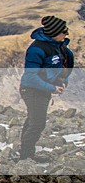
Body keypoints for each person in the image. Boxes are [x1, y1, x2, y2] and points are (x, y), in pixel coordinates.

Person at [18, 15, 74, 162]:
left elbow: (59, 68)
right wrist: (52, 88)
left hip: (43, 89)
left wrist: (62, 82)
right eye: (64, 31)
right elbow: (31, 77)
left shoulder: (58, 46)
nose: (67, 34)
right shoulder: (36, 49)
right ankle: (26, 157)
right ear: (54, 33)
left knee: (33, 120)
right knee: (37, 123)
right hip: (31, 90)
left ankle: (25, 154)